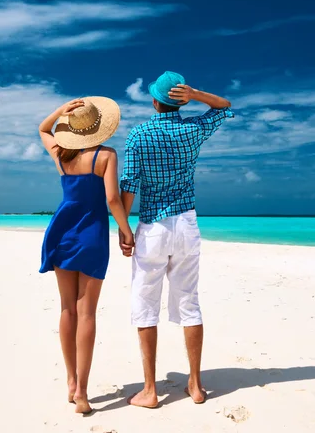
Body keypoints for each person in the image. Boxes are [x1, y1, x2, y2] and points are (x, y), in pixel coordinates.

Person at [119, 71, 233, 408]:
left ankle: (150, 390)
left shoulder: (138, 135)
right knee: (189, 303)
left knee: (145, 304)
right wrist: (196, 94)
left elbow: (129, 185)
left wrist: (124, 230)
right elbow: (225, 107)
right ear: (179, 100)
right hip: (186, 223)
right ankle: (196, 386)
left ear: (155, 101)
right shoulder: (193, 129)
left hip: (152, 225)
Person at [39, 97, 135, 415]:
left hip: (61, 233)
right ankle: (82, 392)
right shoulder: (106, 155)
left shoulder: (60, 154)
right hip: (92, 236)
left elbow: (42, 128)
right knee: (87, 312)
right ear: (99, 127)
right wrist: (126, 230)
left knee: (67, 309)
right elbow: (111, 198)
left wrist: (60, 111)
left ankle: (70, 382)